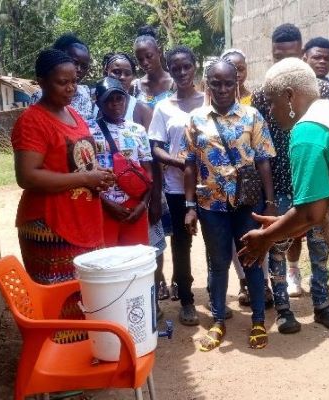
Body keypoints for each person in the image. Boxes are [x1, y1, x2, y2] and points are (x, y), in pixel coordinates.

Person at [239, 56, 329, 400]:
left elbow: (310, 213)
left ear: (290, 97)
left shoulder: (305, 132)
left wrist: (264, 239)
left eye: (273, 103)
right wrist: (283, 223)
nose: (271, 113)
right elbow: (312, 205)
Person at [11, 49, 115, 342]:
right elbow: (27, 176)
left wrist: (97, 179)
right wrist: (85, 178)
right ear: (41, 81)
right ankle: (55, 371)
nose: (70, 88)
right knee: (58, 298)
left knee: (82, 293)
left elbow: (78, 161)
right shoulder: (33, 121)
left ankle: (77, 361)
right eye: (61, 82)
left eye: (74, 81)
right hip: (50, 225)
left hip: (81, 220)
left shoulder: (73, 114)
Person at [252, 23, 329, 333]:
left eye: (291, 56)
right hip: (280, 184)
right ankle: (283, 310)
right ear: (271, 53)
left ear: (302, 53)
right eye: (278, 56)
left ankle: (321, 306)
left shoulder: (326, 91)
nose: (284, 63)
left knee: (320, 248)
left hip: (318, 184)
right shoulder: (262, 94)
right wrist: (266, 195)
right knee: (278, 244)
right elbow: (260, 147)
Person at [183, 59, 276, 351]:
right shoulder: (196, 119)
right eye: (216, 83)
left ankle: (259, 320)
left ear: (236, 82)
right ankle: (219, 320)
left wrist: (270, 204)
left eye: (228, 83)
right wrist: (189, 206)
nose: (222, 89)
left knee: (252, 261)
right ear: (207, 84)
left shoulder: (252, 116)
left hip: (248, 204)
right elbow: (189, 165)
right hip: (212, 206)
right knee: (219, 263)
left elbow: (263, 161)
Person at [149, 45, 203, 326]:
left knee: (218, 243)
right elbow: (155, 148)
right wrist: (181, 163)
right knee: (182, 245)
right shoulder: (163, 107)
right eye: (176, 67)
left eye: (187, 66)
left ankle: (218, 298)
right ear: (169, 70)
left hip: (213, 187)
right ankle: (186, 300)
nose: (182, 72)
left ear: (196, 65)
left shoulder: (210, 101)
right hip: (177, 187)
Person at [221, 48, 274, 308]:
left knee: (254, 231)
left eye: (240, 68)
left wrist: (269, 193)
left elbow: (264, 150)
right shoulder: (211, 104)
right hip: (223, 187)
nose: (237, 73)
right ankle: (244, 282)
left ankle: (262, 283)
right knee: (232, 238)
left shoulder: (258, 101)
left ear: (246, 70)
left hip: (252, 184)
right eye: (231, 68)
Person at [133, 26, 174, 302]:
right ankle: (158, 280)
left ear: (159, 52)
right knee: (154, 228)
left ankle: (180, 279)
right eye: (140, 59)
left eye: (149, 56)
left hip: (177, 168)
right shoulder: (135, 86)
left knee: (180, 230)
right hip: (149, 167)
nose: (145, 62)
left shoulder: (176, 82)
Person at [90, 77, 152, 247]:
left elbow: (148, 171)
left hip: (134, 204)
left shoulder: (137, 130)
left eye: (119, 98)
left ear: (125, 99)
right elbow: (84, 173)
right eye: (108, 99)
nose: (115, 103)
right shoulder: (88, 130)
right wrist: (107, 204)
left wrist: (143, 204)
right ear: (98, 103)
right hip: (102, 204)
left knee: (135, 260)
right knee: (107, 261)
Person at [31, 33, 93, 122]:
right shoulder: (40, 97)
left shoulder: (84, 93)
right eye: (75, 62)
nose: (79, 69)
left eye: (84, 66)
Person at [102, 52, 152, 130]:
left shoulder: (142, 110)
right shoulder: (92, 105)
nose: (122, 77)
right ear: (106, 73)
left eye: (127, 73)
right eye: (116, 72)